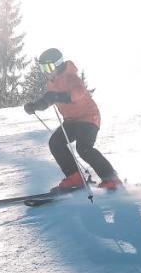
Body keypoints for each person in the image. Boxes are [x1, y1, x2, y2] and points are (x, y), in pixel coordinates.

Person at [23, 48, 122, 192]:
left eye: (49, 67)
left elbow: (78, 93)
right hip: (71, 121)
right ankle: (75, 177)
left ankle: (111, 179)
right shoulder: (52, 83)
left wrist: (56, 96)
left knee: (84, 149)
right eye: (43, 67)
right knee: (55, 142)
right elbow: (48, 98)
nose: (46, 71)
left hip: (88, 118)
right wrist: (35, 106)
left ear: (58, 64)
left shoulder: (70, 76)